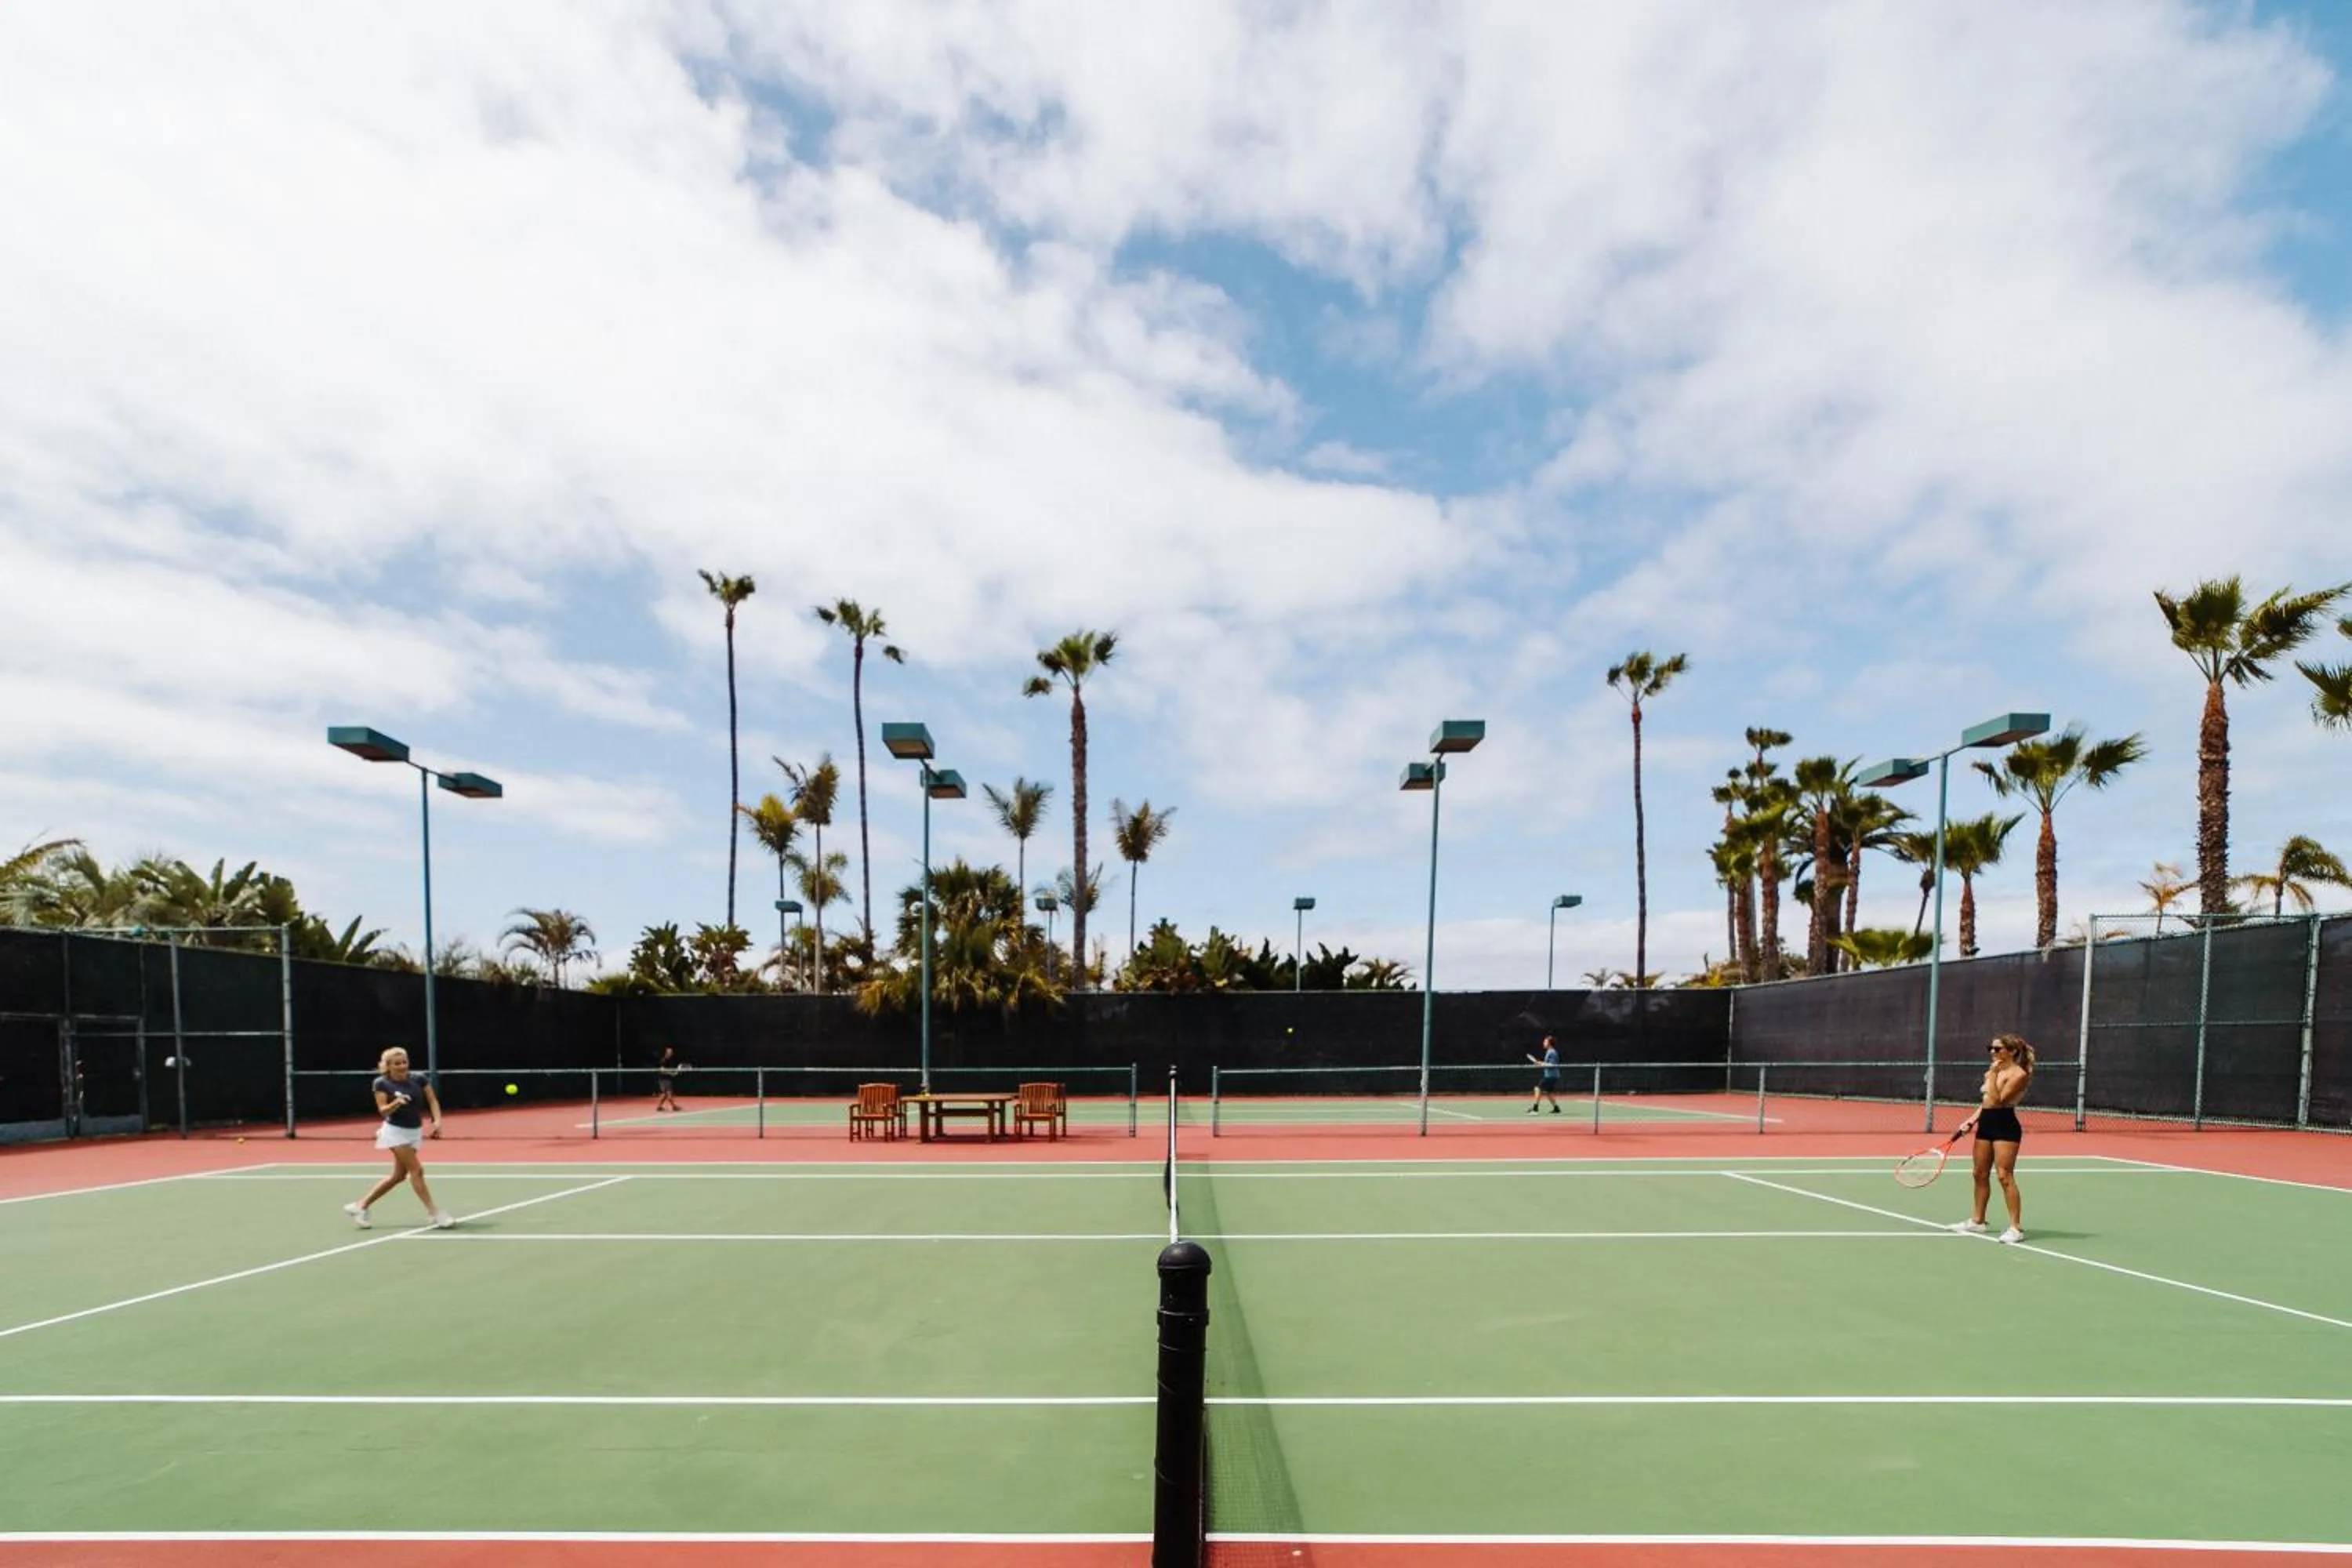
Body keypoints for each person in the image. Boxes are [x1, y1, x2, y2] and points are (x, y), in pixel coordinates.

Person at [343, 1047, 454, 1230]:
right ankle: (434, 1213)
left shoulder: (419, 1079)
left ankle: (360, 1206)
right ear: (388, 1066)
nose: (402, 1066)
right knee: (417, 1171)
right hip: (395, 1132)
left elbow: (433, 1101)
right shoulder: (381, 1083)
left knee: (398, 1176)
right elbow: (382, 1110)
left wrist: (437, 1121)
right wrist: (396, 1102)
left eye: (404, 1062)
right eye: (397, 1063)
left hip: (414, 1131)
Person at [1951, 1033, 2034, 1243]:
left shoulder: (2018, 1074)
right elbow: (1986, 1102)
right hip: (1986, 1123)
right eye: (1991, 1048)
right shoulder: (1992, 1071)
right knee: (1979, 1173)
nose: (1992, 1052)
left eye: (1998, 1049)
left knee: (2004, 1176)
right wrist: (1971, 1121)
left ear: (2012, 1051)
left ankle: (2015, 1228)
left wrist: (1994, 1076)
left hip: (2005, 1124)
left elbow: (1999, 1101)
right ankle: (1978, 1221)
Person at [1525, 1035, 1563, 1114]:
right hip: (1552, 1075)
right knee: (1549, 1093)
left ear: (1550, 1043)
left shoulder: (1552, 1052)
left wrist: (1541, 1064)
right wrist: (1540, 1063)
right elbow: (1548, 1064)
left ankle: (1535, 1109)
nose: (1543, 1043)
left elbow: (1552, 1065)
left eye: (1545, 1041)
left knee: (1537, 1088)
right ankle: (1556, 1109)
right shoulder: (1549, 1052)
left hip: (1551, 1076)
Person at [655, 1046, 682, 1113]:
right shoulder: (663, 1060)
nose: (671, 1053)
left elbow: (670, 1069)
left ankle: (659, 1107)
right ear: (666, 1053)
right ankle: (674, 1107)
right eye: (669, 1052)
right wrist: (671, 1073)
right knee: (668, 1094)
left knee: (665, 1095)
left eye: (671, 1052)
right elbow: (662, 1070)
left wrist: (676, 1070)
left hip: (667, 1079)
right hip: (663, 1080)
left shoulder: (671, 1060)